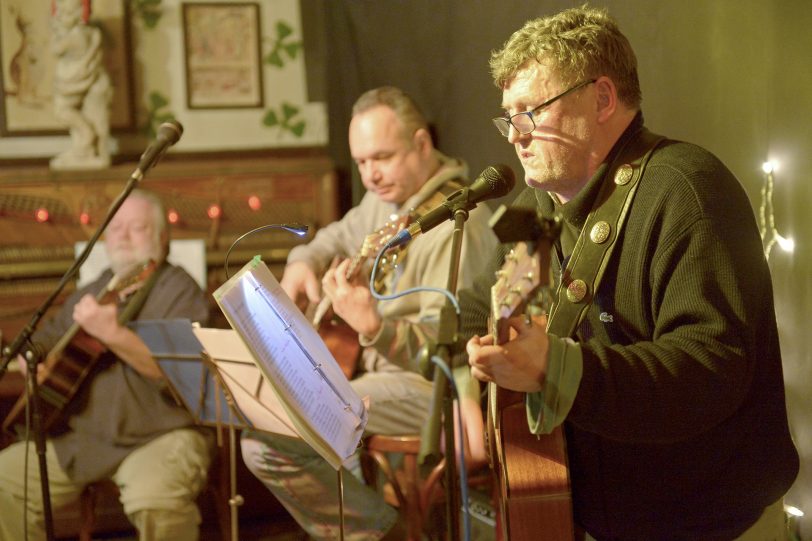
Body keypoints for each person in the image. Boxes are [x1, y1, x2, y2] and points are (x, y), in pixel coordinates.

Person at [462, 6, 799, 541]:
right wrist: (481, 355)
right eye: (509, 116)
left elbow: (709, 372)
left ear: (602, 98)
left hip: (710, 526)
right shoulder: (541, 206)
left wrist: (560, 368)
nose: (515, 135)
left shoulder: (687, 188)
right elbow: (478, 307)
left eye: (532, 112)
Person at [240, 86, 499, 540]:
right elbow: (333, 238)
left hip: (431, 390)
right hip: (372, 376)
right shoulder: (386, 200)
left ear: (422, 144)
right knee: (264, 425)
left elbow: (453, 354)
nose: (370, 175)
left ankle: (385, 533)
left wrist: (374, 326)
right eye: (360, 162)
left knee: (271, 442)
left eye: (381, 157)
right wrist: (304, 261)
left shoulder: (462, 225)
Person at [0, 190, 213, 541]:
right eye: (115, 228)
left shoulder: (180, 290)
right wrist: (32, 360)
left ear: (162, 237)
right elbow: (47, 340)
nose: (123, 236)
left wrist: (112, 334)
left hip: (160, 434)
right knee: (6, 482)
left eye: (138, 227)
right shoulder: (95, 289)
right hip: (83, 437)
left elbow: (183, 374)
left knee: (155, 499)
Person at [49, 0, 112, 170]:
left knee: (62, 111)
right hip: (81, 79)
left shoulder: (75, 36)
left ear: (79, 15)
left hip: (76, 81)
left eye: (67, 13)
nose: (61, 17)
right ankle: (84, 149)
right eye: (59, 12)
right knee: (85, 115)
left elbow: (55, 49)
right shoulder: (91, 32)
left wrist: (56, 29)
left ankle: (86, 136)